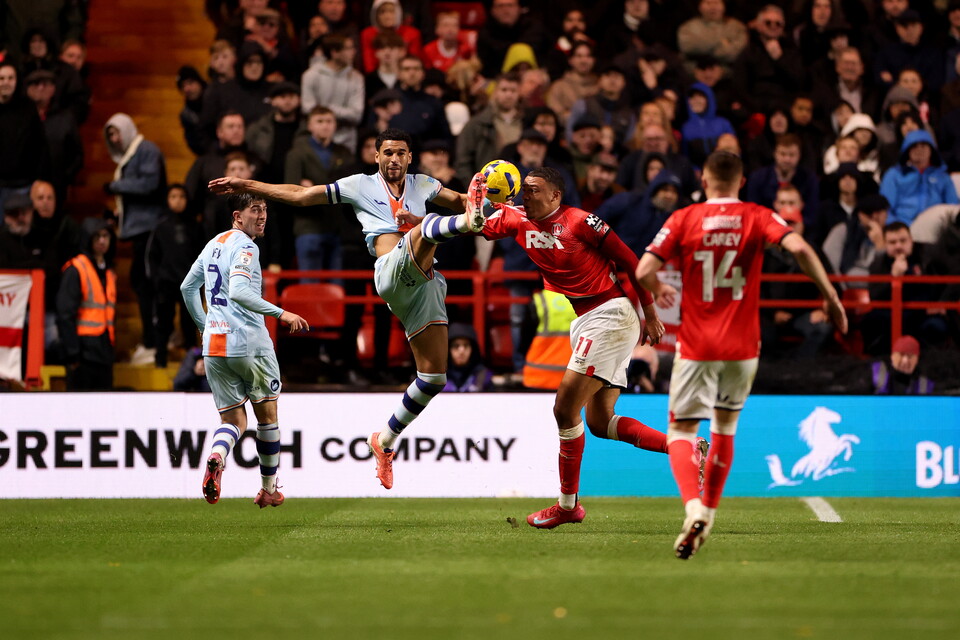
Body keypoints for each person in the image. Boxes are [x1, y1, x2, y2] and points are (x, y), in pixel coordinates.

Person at [208, 127, 486, 490]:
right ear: (376, 156)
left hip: (426, 286)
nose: (394, 159)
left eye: (401, 153)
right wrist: (247, 184)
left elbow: (464, 199)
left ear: (410, 157)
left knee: (434, 378)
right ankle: (462, 226)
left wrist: (504, 206)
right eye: (387, 152)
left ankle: (384, 440)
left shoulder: (424, 184)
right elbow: (302, 195)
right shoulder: (359, 185)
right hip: (391, 271)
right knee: (427, 227)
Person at [635, 151, 847, 559]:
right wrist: (830, 295)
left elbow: (643, 269)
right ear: (742, 181)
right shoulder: (756, 215)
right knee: (724, 429)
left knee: (681, 432)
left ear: (704, 180)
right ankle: (710, 512)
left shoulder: (684, 217)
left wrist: (659, 288)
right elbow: (800, 247)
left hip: (697, 346)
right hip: (743, 346)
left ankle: (694, 509)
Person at [477, 166, 695, 529]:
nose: (525, 194)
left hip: (610, 314)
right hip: (588, 319)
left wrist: (651, 313)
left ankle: (568, 506)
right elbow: (473, 221)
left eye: (534, 189)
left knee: (565, 409)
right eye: (524, 189)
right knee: (599, 422)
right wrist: (419, 222)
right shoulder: (515, 219)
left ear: (555, 195)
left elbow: (631, 261)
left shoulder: (580, 222)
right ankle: (683, 447)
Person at [180, 192, 309, 508]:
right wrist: (282, 313)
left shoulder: (214, 244)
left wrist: (205, 325)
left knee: (234, 422)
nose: (262, 216)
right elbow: (238, 291)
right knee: (267, 418)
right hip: (249, 343)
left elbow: (187, 287)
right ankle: (269, 488)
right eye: (255, 210)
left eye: (264, 209)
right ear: (237, 216)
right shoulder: (247, 246)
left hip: (214, 345)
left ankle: (217, 455)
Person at [103, 112, 167, 366]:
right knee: (141, 282)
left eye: (116, 132)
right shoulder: (133, 154)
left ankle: (155, 343)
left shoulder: (146, 150)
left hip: (150, 229)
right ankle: (151, 340)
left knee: (147, 283)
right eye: (110, 135)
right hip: (139, 228)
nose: (115, 139)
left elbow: (150, 184)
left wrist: (115, 186)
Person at [56, 218, 118, 391]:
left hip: (103, 352)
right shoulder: (76, 269)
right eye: (97, 236)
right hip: (82, 354)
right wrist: (73, 354)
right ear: (87, 238)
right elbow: (65, 314)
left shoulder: (109, 272)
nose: (102, 241)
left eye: (106, 236)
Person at [444, 323, 493, 392]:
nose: (461, 351)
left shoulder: (483, 377)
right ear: (448, 350)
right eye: (456, 345)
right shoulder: (437, 379)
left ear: (473, 349)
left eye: (466, 345)